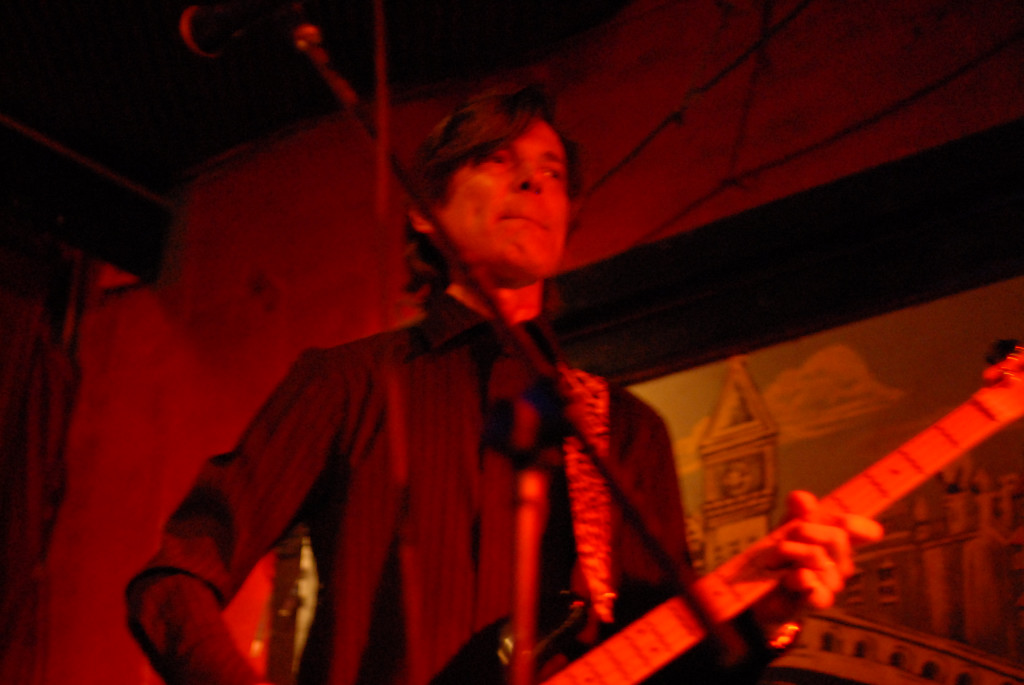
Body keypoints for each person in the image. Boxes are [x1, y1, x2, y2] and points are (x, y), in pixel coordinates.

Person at [125, 85, 883, 685]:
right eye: (497, 159)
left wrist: (769, 613)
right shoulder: (345, 382)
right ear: (425, 213)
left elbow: (665, 662)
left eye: (554, 174)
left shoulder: (624, 429)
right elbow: (176, 577)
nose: (533, 182)